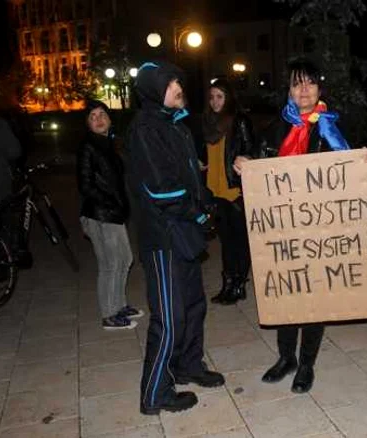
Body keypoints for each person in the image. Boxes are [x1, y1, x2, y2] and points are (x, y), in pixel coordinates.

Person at [233, 59, 367, 394]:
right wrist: (243, 164)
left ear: (319, 89)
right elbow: (256, 167)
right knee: (285, 294)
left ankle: (307, 363)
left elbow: (353, 171)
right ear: (289, 90)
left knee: (314, 298)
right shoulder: (274, 129)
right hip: (283, 231)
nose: (304, 91)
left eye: (310, 83)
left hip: (320, 233)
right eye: (297, 84)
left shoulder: (333, 129)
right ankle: (286, 358)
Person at [127, 61, 224, 415]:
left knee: (194, 305)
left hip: (185, 232)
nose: (178, 87)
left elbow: (189, 177)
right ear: (154, 91)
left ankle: (188, 365)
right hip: (164, 235)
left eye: (178, 80)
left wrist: (205, 203)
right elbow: (161, 190)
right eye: (170, 83)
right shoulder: (146, 129)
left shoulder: (176, 125)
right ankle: (154, 393)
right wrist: (195, 211)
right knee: (169, 317)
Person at [77, 100, 142, 330]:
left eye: (102, 114)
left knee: (125, 259)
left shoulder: (109, 144)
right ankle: (109, 314)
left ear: (109, 118)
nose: (98, 119)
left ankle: (120, 304)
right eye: (92, 116)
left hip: (113, 213)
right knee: (110, 264)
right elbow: (86, 186)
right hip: (100, 214)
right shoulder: (89, 146)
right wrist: (112, 204)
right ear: (87, 123)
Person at [202, 79, 255, 305]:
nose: (215, 101)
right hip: (215, 191)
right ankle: (228, 283)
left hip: (235, 190)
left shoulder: (239, 121)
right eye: (212, 97)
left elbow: (251, 149)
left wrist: (246, 162)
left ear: (228, 98)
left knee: (240, 241)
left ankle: (239, 283)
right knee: (225, 241)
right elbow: (209, 154)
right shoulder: (207, 123)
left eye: (220, 97)